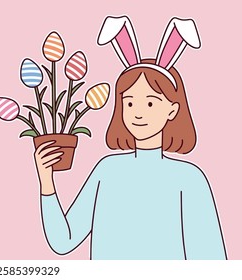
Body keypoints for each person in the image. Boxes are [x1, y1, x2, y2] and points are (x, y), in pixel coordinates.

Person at [36, 16, 227, 259]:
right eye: (129, 102)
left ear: (173, 109)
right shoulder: (106, 170)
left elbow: (211, 262)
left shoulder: (189, 179)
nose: (137, 112)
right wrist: (46, 181)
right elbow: (64, 241)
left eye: (150, 102)